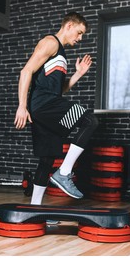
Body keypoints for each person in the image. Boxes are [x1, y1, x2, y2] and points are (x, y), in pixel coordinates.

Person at [14, 12, 98, 206]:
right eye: (79, 33)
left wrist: (77, 75)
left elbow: (59, 89)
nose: (80, 38)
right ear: (68, 26)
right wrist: (22, 105)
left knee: (47, 158)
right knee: (90, 121)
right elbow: (26, 71)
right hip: (43, 105)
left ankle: (35, 208)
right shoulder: (50, 43)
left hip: (46, 106)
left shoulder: (61, 53)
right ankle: (64, 172)